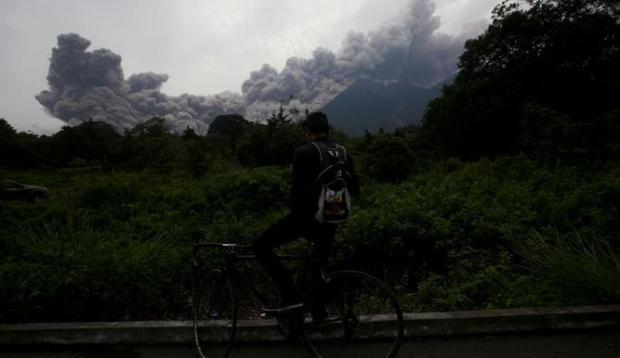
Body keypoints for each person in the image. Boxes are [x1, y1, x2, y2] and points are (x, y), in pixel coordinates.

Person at [251, 111, 360, 311]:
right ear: (327, 131)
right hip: (334, 219)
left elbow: (297, 194)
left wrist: (296, 221)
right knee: (317, 268)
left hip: (307, 220)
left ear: (308, 131)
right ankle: (318, 313)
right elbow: (355, 190)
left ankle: (290, 298)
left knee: (260, 246)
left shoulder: (304, 152)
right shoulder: (343, 151)